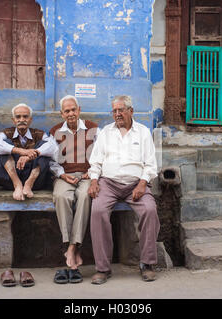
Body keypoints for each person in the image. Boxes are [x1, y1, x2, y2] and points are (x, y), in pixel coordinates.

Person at [88, 95, 160, 284]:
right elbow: (95, 161)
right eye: (114, 111)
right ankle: (103, 268)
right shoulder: (105, 133)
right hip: (108, 184)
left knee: (150, 210)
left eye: (121, 110)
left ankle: (147, 263)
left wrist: (143, 183)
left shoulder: (143, 132)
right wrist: (94, 180)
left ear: (131, 111)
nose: (117, 114)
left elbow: (151, 164)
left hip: (136, 185)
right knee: (98, 211)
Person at [49, 95, 99, 284]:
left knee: (86, 196)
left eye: (73, 110)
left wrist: (92, 172)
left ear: (79, 110)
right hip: (65, 175)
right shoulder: (55, 132)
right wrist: (62, 175)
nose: (70, 114)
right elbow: (52, 161)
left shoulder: (93, 129)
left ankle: (71, 247)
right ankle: (72, 245)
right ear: (62, 113)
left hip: (87, 175)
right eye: (66, 111)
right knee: (61, 196)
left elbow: (101, 154)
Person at [0, 103, 57, 200]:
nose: (22, 120)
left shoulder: (39, 134)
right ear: (13, 120)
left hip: (35, 182)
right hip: (9, 180)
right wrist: (21, 151)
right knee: (4, 145)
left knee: (44, 147)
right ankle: (17, 184)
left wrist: (31, 155)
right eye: (18, 117)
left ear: (30, 120)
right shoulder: (6, 133)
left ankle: (28, 184)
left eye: (25, 117)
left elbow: (53, 147)